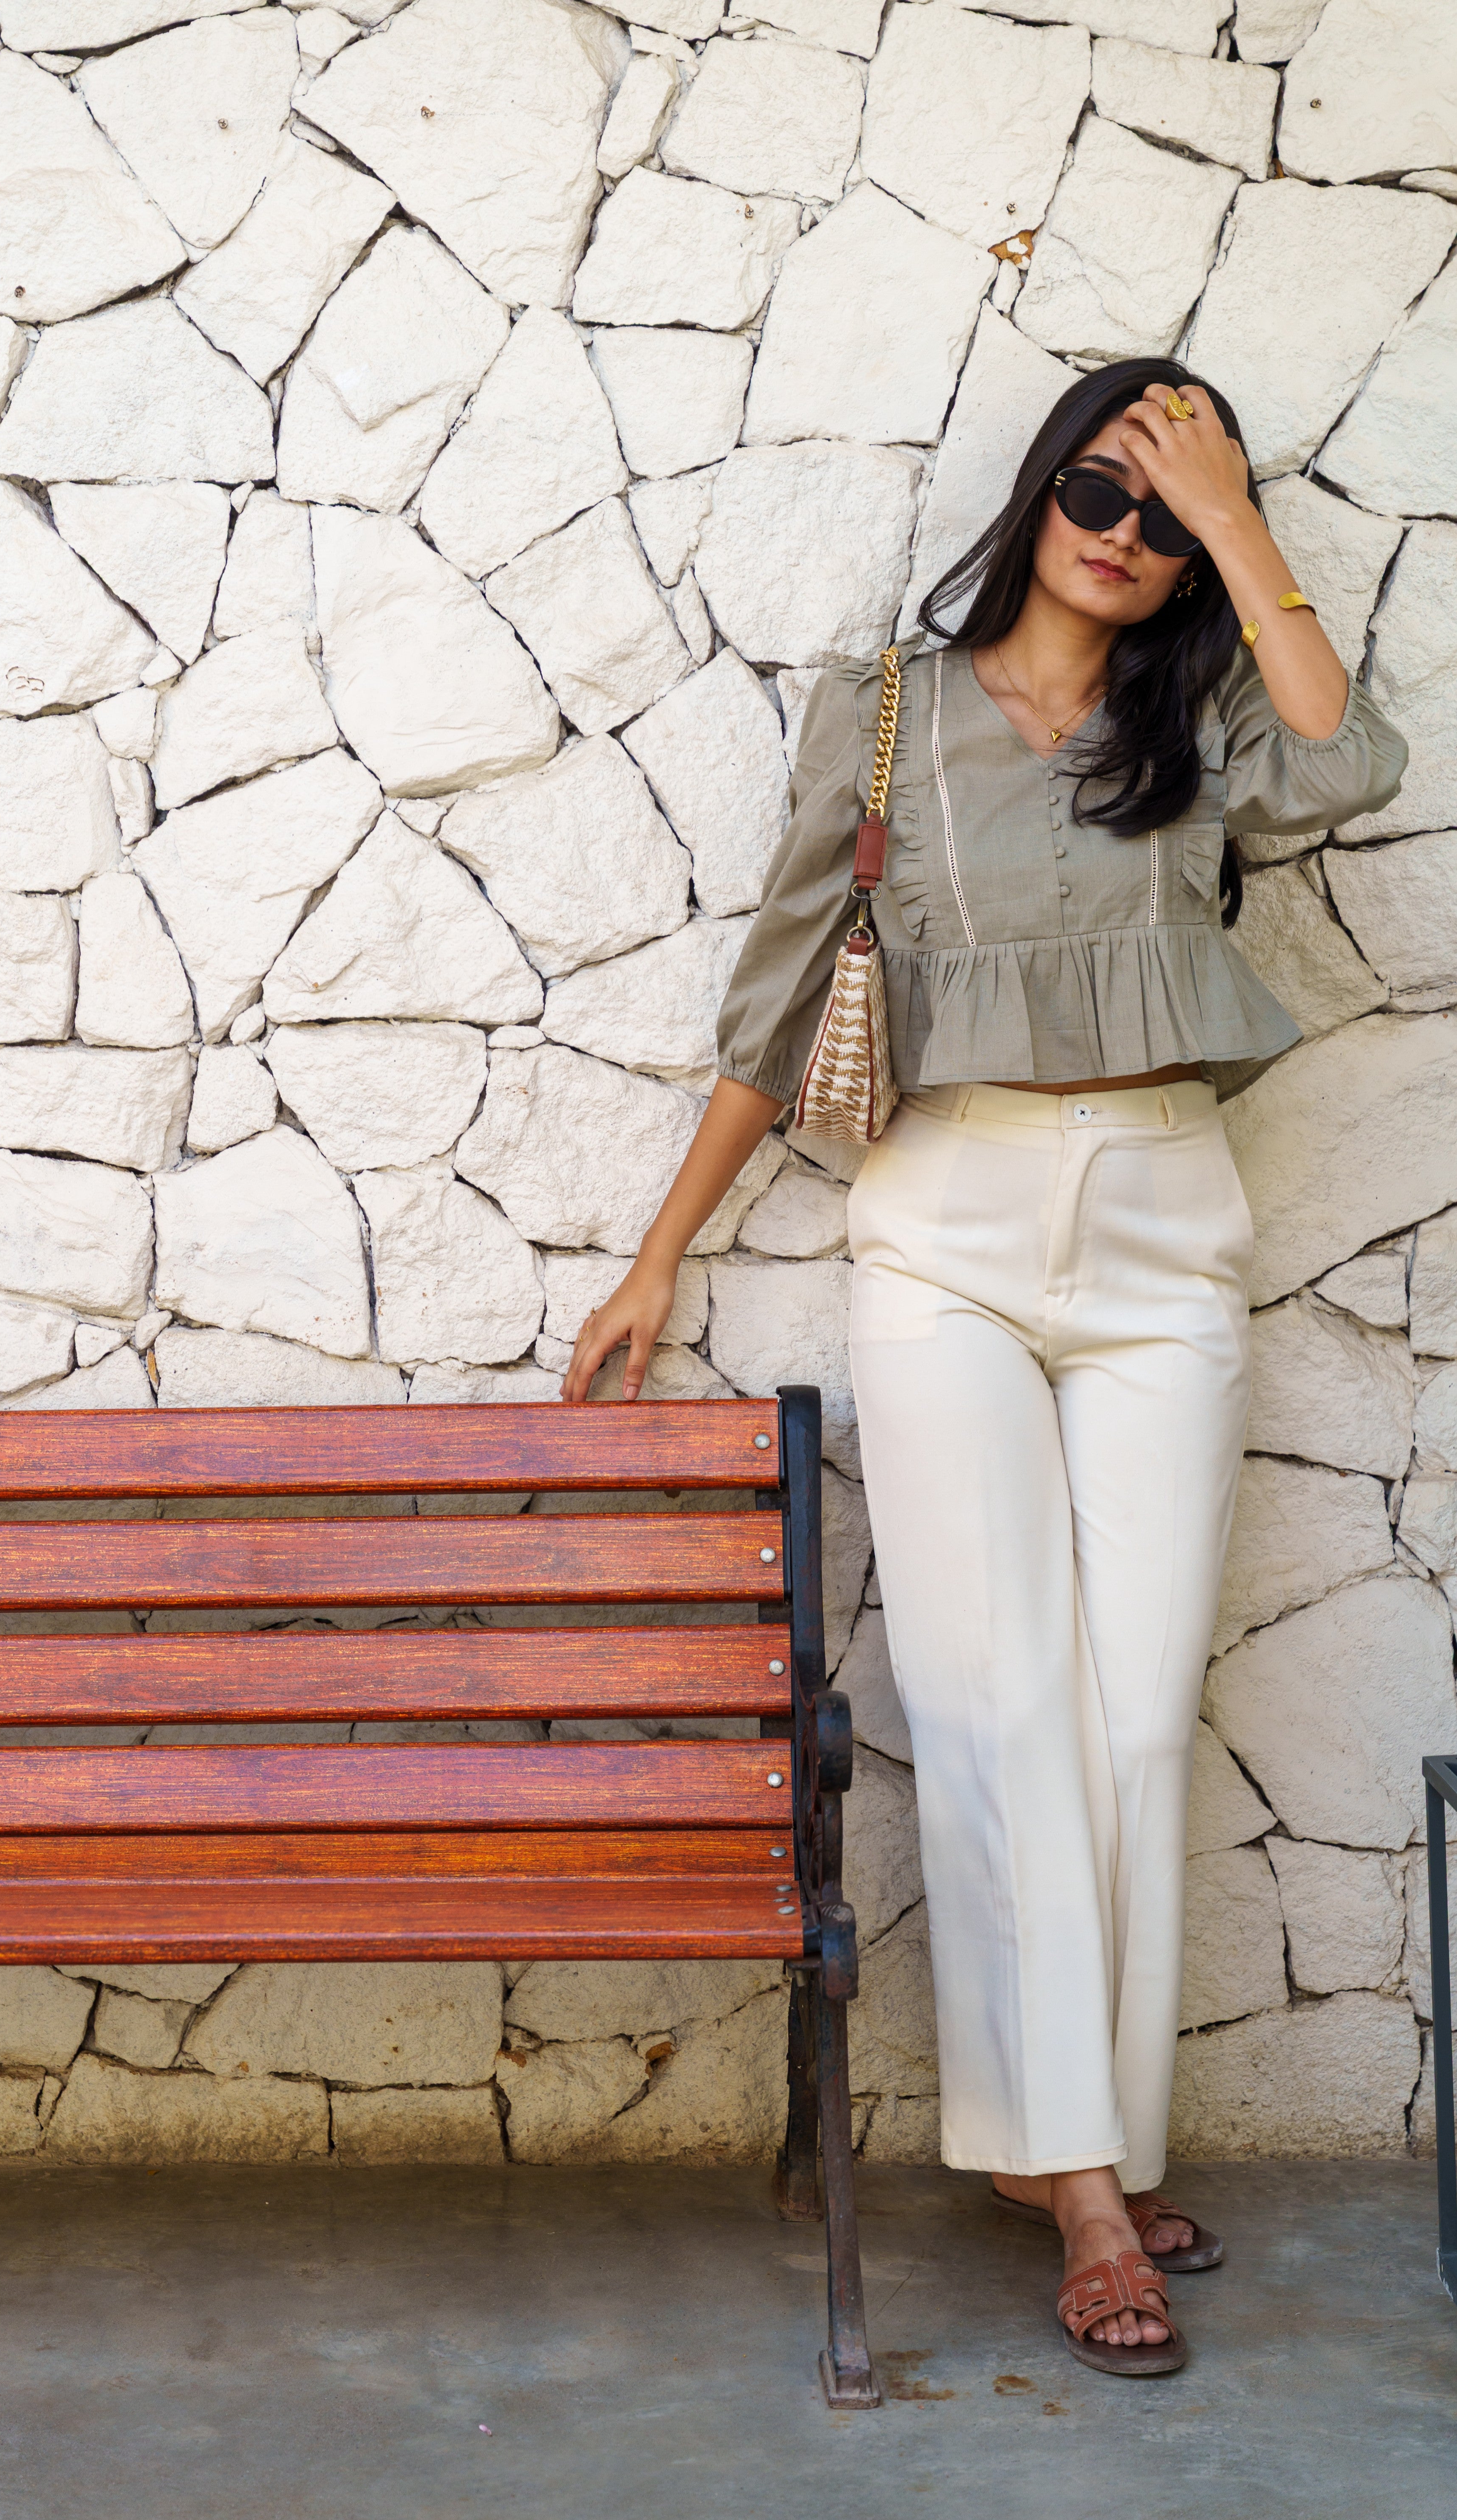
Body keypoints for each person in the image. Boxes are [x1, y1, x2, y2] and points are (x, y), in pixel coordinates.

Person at [560, 358, 1407, 2377]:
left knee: (1133, 1712)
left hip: (1166, 1219)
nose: (1126, 532)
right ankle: (1088, 2188)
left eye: (1165, 512)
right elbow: (780, 998)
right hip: (945, 1223)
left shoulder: (1201, 716)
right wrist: (661, 1253)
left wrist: (1240, 519)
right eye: (1101, 488)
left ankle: (1074, 2143)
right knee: (999, 1696)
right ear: (1039, 495)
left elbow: (1349, 756)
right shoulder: (886, 711)